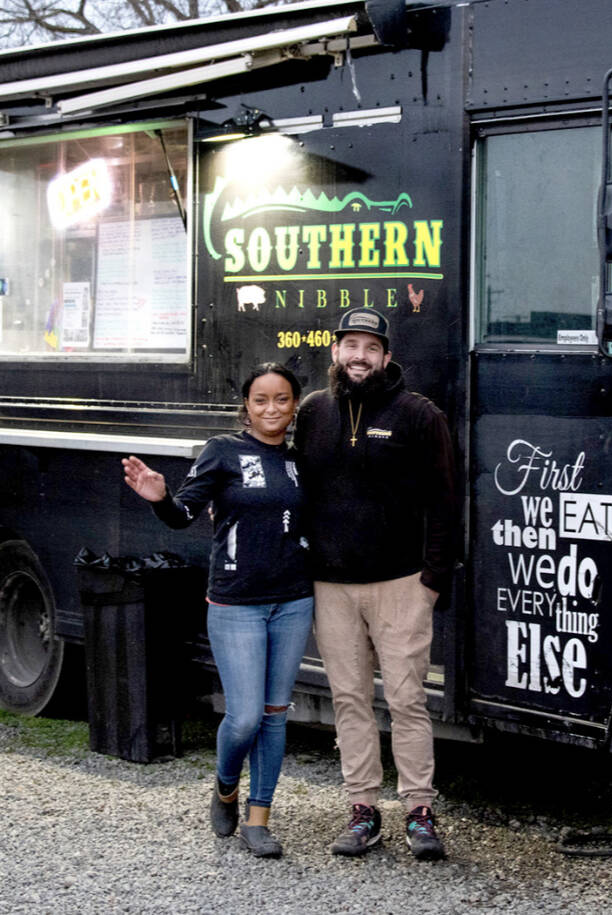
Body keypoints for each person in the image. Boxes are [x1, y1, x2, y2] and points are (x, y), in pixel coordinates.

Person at [121, 363, 312, 859]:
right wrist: (160, 498)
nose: (272, 409)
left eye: (282, 399)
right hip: (236, 603)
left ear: (295, 405)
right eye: (261, 400)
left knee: (274, 715)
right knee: (244, 717)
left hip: (293, 601)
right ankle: (226, 787)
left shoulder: (300, 459)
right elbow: (183, 513)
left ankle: (258, 819)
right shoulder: (222, 451)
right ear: (246, 406)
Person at [294, 307, 459, 860]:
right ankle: (362, 810)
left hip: (401, 584)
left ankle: (419, 812)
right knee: (349, 700)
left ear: (386, 356)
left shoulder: (418, 415)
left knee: (408, 700)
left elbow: (446, 501)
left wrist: (432, 580)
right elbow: (295, 488)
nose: (359, 356)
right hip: (331, 586)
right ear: (335, 351)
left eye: (370, 347)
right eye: (350, 345)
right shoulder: (313, 412)